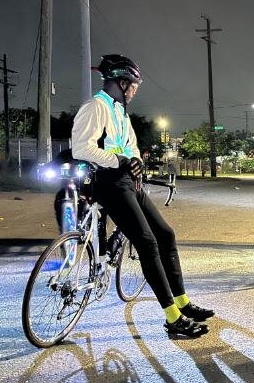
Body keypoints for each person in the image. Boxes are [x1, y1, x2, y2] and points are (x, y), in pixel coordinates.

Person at [71, 54, 213, 338]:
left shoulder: (121, 112)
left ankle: (183, 302)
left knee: (166, 235)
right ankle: (172, 318)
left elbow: (132, 146)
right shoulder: (95, 107)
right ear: (121, 82)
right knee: (146, 242)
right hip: (107, 182)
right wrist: (120, 161)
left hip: (127, 181)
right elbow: (81, 148)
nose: (135, 90)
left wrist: (135, 161)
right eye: (133, 84)